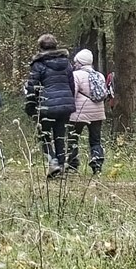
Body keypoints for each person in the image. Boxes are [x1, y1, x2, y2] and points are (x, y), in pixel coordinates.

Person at [24, 34, 77, 177]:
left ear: (40, 47)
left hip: (46, 106)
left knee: (44, 135)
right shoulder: (66, 63)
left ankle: (53, 162)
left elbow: (32, 87)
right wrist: (69, 100)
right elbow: (72, 85)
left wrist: (30, 107)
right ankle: (61, 166)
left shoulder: (38, 64)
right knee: (60, 136)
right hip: (65, 105)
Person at [70, 47, 111, 174]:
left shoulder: (76, 75)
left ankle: (72, 164)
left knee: (73, 138)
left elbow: (73, 94)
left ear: (81, 63)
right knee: (95, 140)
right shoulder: (99, 75)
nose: (75, 64)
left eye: (76, 62)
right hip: (97, 113)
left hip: (79, 113)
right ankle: (97, 164)